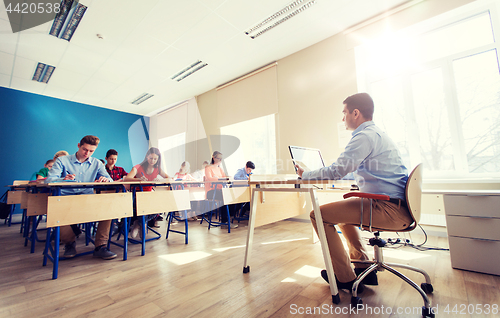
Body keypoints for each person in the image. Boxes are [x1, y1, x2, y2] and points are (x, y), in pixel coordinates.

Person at [295, 93, 411, 293]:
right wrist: (333, 174)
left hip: (387, 209)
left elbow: (337, 170)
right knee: (340, 215)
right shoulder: (377, 134)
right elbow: (355, 171)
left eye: (344, 112)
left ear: (355, 113)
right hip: (397, 207)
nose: (343, 118)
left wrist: (306, 175)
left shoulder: (363, 136)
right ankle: (364, 266)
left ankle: (343, 278)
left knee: (318, 215)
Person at [46, 135, 117, 260]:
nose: (87, 153)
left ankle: (100, 246)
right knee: (56, 212)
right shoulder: (62, 160)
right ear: (79, 146)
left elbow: (110, 179)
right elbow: (50, 180)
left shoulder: (97, 163)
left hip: (87, 199)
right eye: (85, 149)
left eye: (91, 151)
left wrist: (106, 179)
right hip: (66, 199)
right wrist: (63, 179)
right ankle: (69, 243)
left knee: (108, 209)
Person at [124, 147, 170, 235]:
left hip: (149, 196)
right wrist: (139, 179)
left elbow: (168, 178)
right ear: (146, 157)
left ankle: (139, 223)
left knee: (161, 206)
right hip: (136, 196)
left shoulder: (158, 169)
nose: (153, 161)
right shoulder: (138, 167)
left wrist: (158, 180)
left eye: (155, 159)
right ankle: (142, 223)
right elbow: (127, 179)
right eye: (151, 158)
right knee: (143, 207)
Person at [204, 151, 236, 229]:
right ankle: (224, 222)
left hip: (220, 190)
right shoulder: (208, 168)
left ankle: (228, 219)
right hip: (211, 192)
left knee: (233, 195)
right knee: (225, 197)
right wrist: (219, 179)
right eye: (219, 158)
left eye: (221, 159)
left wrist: (229, 177)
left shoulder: (220, 169)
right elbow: (210, 178)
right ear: (213, 158)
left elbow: (225, 177)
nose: (220, 161)